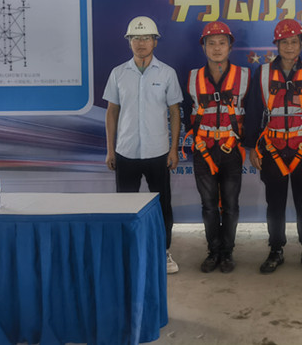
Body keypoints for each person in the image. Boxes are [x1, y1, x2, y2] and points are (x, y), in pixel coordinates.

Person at [244, 19, 302, 275]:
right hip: (273, 148)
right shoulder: (263, 73)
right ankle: (276, 249)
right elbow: (253, 111)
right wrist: (252, 147)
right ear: (276, 45)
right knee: (275, 202)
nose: (289, 47)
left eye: (294, 42)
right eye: (284, 42)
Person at [103, 16, 183, 275]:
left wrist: (173, 149)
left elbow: (175, 112)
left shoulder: (167, 73)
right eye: (135, 38)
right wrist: (110, 149)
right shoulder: (118, 73)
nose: (141, 43)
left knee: (162, 206)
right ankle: (127, 251)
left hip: (158, 152)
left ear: (155, 42)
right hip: (125, 152)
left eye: (146, 38)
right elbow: (112, 112)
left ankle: (163, 251)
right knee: (125, 205)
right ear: (129, 42)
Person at [182, 21, 250, 274]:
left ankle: (228, 252)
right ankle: (213, 252)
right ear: (204, 47)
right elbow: (185, 112)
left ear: (230, 47)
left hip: (232, 151)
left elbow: (253, 113)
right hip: (203, 150)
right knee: (209, 205)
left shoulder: (245, 76)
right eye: (211, 43)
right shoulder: (192, 77)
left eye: (222, 43)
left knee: (231, 205)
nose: (217, 48)